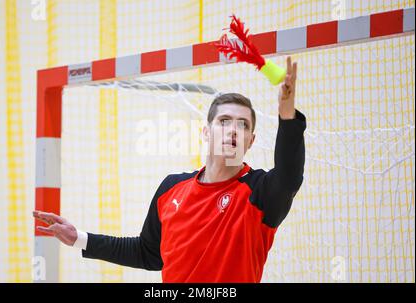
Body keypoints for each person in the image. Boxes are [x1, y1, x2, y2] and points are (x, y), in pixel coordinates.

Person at [33, 56, 306, 282]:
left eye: (243, 125)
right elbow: (147, 253)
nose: (233, 129)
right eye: (224, 121)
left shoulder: (260, 192)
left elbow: (289, 176)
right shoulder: (171, 188)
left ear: (251, 141)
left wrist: (286, 113)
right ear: (206, 132)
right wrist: (79, 238)